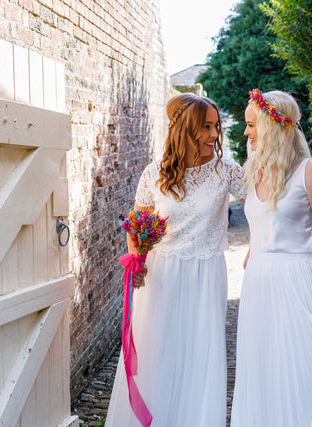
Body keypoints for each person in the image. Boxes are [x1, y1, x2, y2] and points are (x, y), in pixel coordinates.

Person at [105, 92, 244, 427]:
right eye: (207, 127)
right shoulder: (155, 174)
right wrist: (137, 258)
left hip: (206, 272)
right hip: (162, 275)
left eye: (216, 126)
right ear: (186, 130)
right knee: (160, 352)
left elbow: (261, 201)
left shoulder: (227, 171)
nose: (215, 135)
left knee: (201, 353)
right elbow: (136, 221)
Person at [230, 89, 312, 427]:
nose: (246, 132)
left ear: (271, 127)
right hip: (258, 284)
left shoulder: (310, 171)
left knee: (301, 362)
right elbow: (262, 226)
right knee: (262, 368)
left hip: (298, 278)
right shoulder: (250, 171)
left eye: (252, 125)